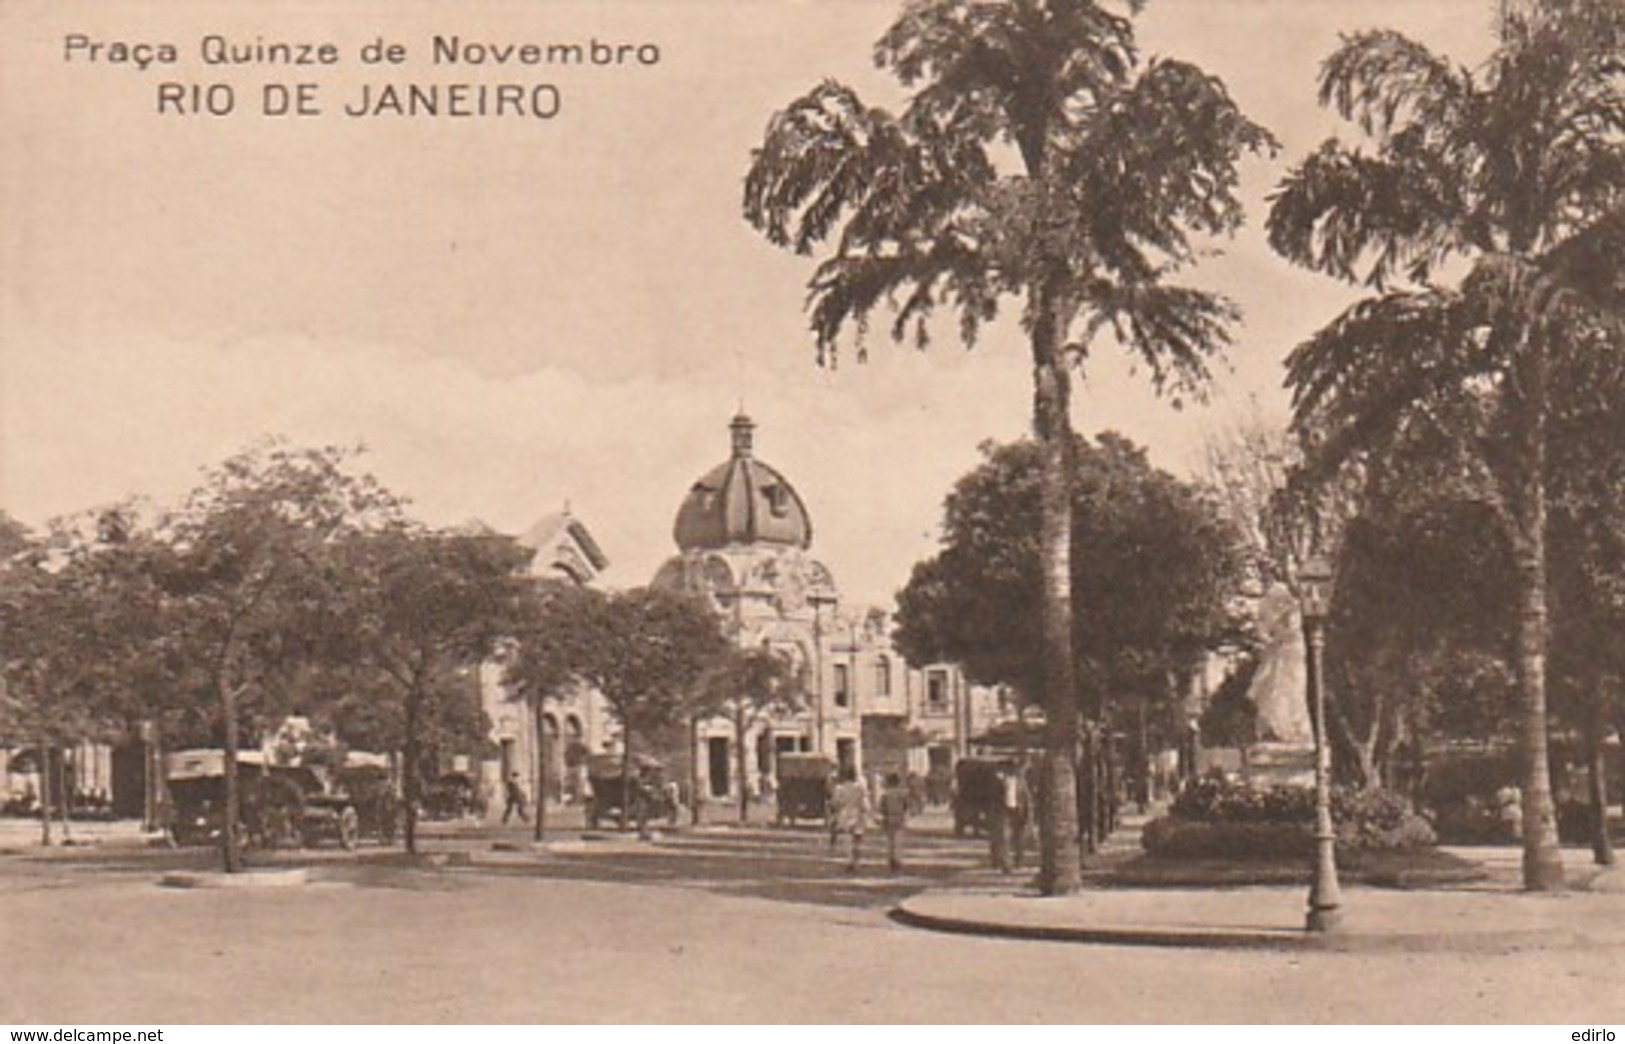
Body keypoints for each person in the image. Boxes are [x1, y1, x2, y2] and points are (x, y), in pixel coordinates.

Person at [828, 767, 871, 873]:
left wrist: (835, 808)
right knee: (857, 838)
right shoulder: (860, 788)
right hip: (858, 814)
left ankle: (849, 861)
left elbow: (835, 802)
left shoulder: (840, 788)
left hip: (845, 814)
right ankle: (856, 861)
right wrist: (866, 810)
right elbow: (864, 802)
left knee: (847, 838)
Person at [878, 772, 910, 872]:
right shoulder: (902, 793)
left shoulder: (885, 794)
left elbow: (881, 807)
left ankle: (890, 859)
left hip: (888, 817)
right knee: (898, 840)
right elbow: (906, 805)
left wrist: (883, 815)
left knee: (889, 841)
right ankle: (898, 860)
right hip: (899, 817)